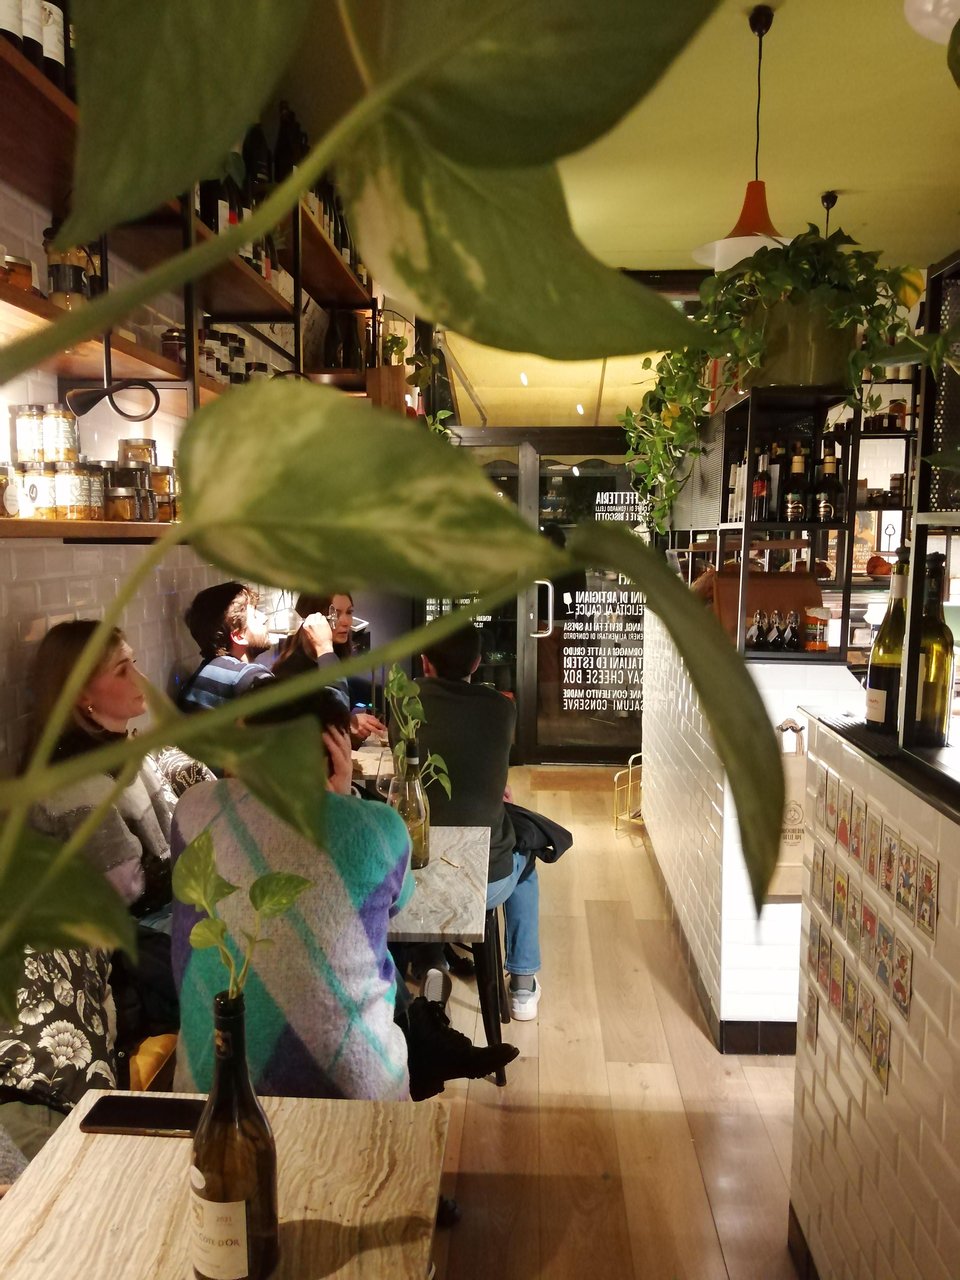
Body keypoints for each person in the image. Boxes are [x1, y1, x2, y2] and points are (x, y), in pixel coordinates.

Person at [171, 689, 517, 1102]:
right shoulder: (379, 827)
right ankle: (426, 1037)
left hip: (207, 1096)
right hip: (358, 1098)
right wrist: (341, 797)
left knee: (345, 946)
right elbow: (399, 901)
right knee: (362, 948)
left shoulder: (190, 810)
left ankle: (426, 1036)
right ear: (334, 754)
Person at [1, 620, 178, 1158]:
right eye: (123, 669)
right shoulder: (74, 781)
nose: (140, 678)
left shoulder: (120, 751)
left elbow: (170, 843)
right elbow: (130, 887)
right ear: (81, 693)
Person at [415, 622, 543, 1020]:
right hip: (485, 882)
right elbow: (488, 762)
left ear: (425, 662)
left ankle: (432, 959)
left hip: (414, 879)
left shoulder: (407, 700)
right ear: (477, 662)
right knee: (526, 861)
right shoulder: (501, 708)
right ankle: (522, 985)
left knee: (425, 842)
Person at [270, 591, 386, 742]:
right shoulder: (291, 669)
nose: (346, 622)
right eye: (335, 614)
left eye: (349, 612)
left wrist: (350, 723)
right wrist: (348, 723)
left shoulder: (332, 659)